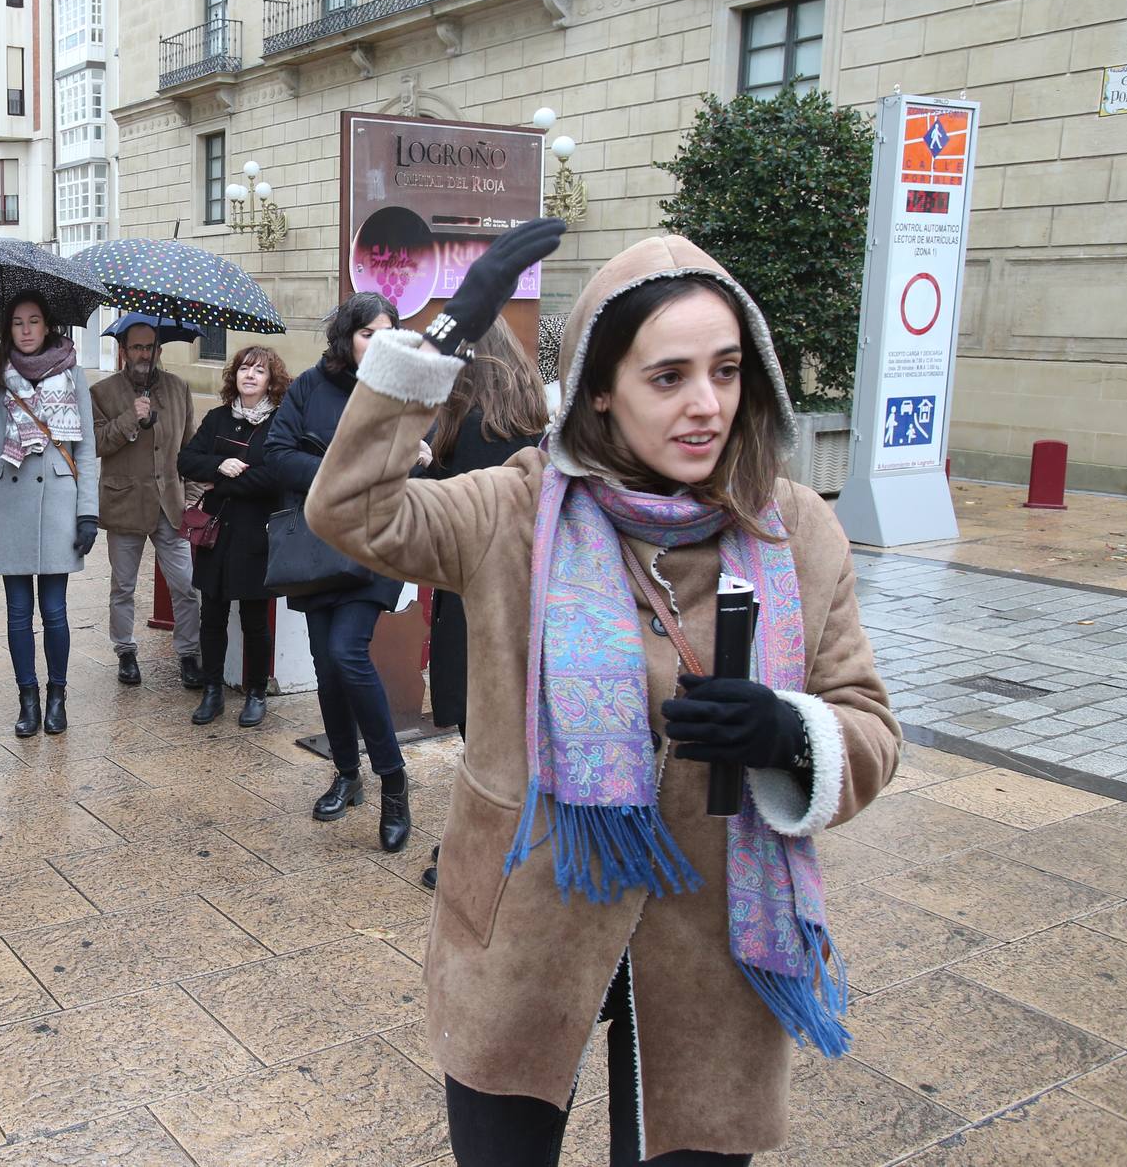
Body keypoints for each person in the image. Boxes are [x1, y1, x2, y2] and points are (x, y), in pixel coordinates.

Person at [306, 221, 901, 1165]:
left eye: (726, 370)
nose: (705, 404)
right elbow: (352, 510)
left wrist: (791, 735)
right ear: (599, 392)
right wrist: (444, 340)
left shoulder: (792, 527)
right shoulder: (515, 507)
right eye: (666, 378)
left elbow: (868, 722)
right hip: (526, 916)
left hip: (716, 936)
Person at [262, 292, 428, 853]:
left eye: (388, 335)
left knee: (347, 654)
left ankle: (393, 781)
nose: (377, 345)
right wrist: (340, 472)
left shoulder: (402, 393)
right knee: (328, 668)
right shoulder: (311, 387)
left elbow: (416, 464)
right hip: (318, 548)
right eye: (366, 335)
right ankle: (346, 774)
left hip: (374, 543)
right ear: (347, 339)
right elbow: (278, 453)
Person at [421, 318, 549, 888]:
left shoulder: (470, 428)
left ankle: (486, 846)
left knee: (484, 731)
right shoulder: (533, 423)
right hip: (530, 599)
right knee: (515, 730)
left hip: (478, 600)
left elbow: (455, 522)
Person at [0, 291, 99, 737]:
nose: (25, 330)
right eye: (18, 322)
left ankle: (57, 696)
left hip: (59, 501)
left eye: (33, 321)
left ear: (47, 326)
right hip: (10, 503)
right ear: (8, 328)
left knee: (55, 610)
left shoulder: (73, 373)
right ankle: (28, 699)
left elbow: (87, 451)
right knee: (18, 612)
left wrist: (88, 513)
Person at [177, 345, 289, 728]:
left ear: (271, 380)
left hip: (257, 534)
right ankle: (212, 691)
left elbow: (276, 475)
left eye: (260, 370)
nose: (250, 375)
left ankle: (256, 693)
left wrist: (222, 482)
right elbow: (186, 461)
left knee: (256, 619)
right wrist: (218, 464)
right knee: (212, 615)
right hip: (217, 533)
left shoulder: (280, 422)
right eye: (244, 368)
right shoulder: (217, 418)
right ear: (234, 376)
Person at [91, 318, 202, 691]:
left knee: (186, 585)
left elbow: (191, 451)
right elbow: (95, 444)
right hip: (125, 505)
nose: (144, 354)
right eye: (136, 347)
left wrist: (191, 499)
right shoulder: (102, 392)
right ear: (123, 351)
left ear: (159, 350)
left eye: (150, 347)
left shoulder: (178, 389)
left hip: (171, 507)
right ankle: (125, 650)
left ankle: (188, 653)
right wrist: (129, 418)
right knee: (123, 586)